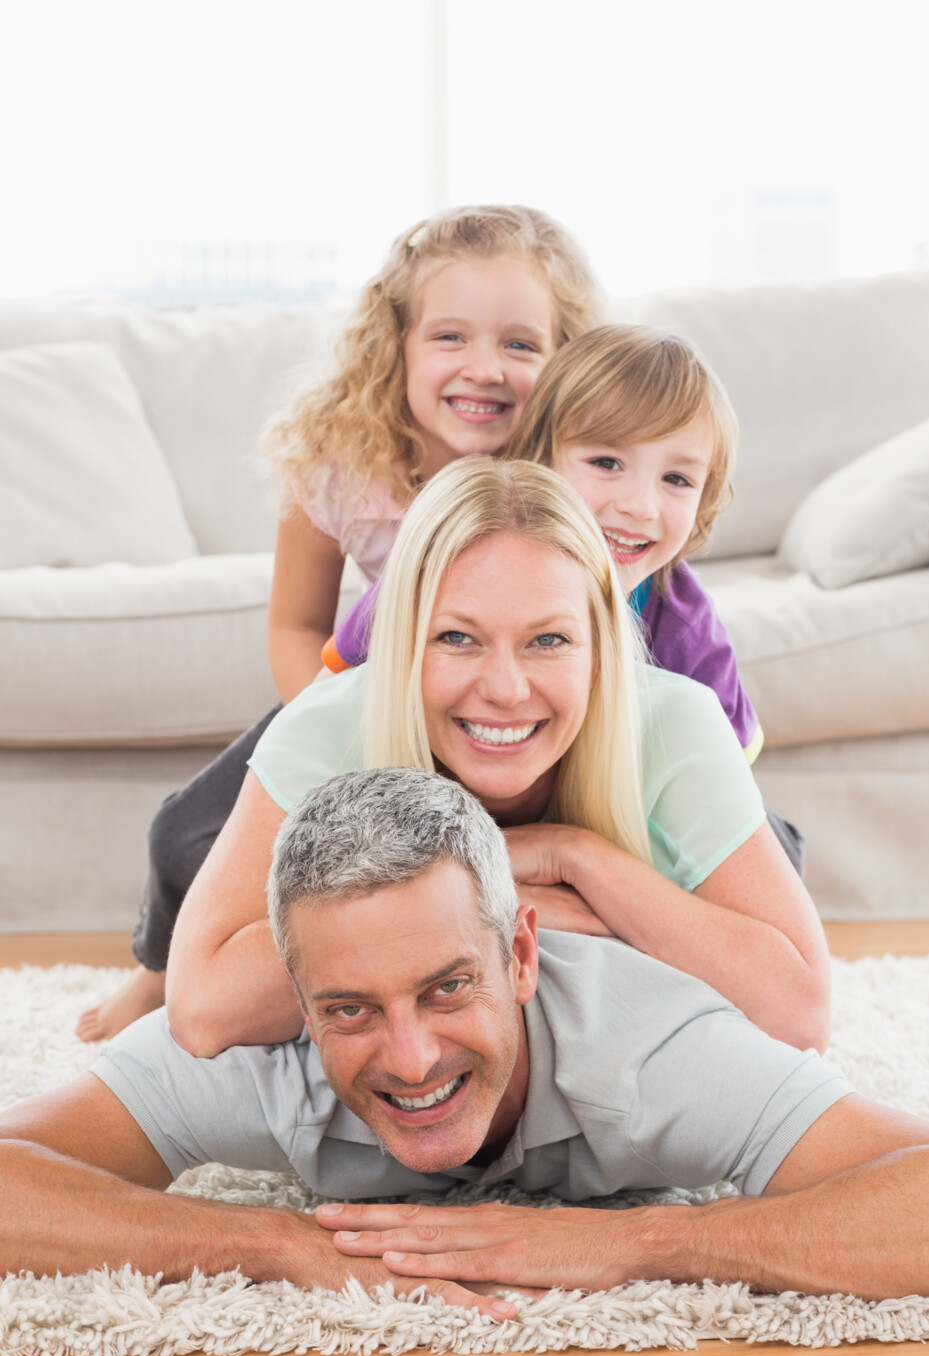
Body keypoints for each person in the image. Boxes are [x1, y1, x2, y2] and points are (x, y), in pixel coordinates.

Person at [4, 769, 929, 1313]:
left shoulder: (655, 1046)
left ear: (521, 958)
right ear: (296, 999)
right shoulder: (254, 1055)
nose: (412, 1059)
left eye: (450, 987)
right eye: (350, 1011)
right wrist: (270, 1241)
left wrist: (643, 1243)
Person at [76, 204, 601, 1043]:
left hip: (508, 714)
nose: (485, 368)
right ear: (395, 343)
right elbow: (293, 628)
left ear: (567, 359)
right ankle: (159, 969)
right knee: (184, 832)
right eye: (450, 338)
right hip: (364, 703)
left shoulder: (574, 469)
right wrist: (346, 734)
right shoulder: (343, 463)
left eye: (521, 344)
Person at [163, 457, 830, 1061]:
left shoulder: (674, 721)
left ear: (600, 648)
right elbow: (202, 1010)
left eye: (548, 640)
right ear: (401, 642)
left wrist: (575, 856)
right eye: (457, 637)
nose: (507, 690)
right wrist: (494, 903)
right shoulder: (329, 728)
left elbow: (799, 1012)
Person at [321, 325, 804, 871]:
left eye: (677, 479)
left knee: (777, 858)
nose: (640, 505)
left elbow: (724, 807)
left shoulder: (686, 629)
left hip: (599, 833)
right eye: (606, 463)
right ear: (540, 458)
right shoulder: (446, 564)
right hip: (447, 818)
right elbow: (322, 708)